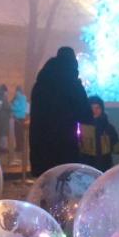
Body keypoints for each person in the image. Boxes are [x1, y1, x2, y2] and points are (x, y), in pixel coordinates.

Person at [29, 47, 91, 176]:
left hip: (41, 140)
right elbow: (85, 114)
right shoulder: (73, 85)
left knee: (46, 179)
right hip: (65, 141)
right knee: (64, 178)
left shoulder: (40, 84)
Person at [78, 95, 119, 172]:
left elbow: (116, 148)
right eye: (91, 108)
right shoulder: (80, 127)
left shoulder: (108, 127)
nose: (94, 111)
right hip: (85, 168)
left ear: (102, 109)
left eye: (97, 108)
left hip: (105, 167)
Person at [10, 84, 30, 177]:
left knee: (18, 134)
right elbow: (26, 108)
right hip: (22, 117)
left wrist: (12, 107)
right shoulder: (24, 98)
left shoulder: (18, 98)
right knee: (21, 134)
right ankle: (21, 146)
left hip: (17, 118)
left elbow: (15, 107)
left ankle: (19, 147)